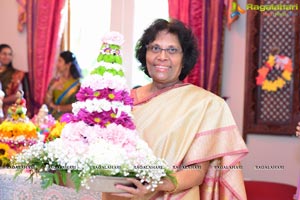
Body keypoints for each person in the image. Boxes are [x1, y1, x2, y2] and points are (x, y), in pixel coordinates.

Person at [102, 19, 248, 200]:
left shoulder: (205, 104)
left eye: (172, 50)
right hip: (119, 195)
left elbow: (196, 171)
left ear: (184, 58)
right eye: (155, 48)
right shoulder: (123, 100)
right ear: (145, 53)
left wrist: (155, 186)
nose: (162, 57)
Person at [45, 51, 82, 120]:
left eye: (60, 61)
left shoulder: (77, 85)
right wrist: (52, 88)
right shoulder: (55, 81)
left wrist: (57, 107)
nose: (57, 64)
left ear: (68, 64)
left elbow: (77, 105)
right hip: (52, 116)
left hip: (68, 118)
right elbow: (47, 103)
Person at [0, 44, 25, 117]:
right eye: (4, 54)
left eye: (10, 54)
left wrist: (2, 101)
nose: (7, 57)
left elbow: (18, 95)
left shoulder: (17, 74)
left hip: (8, 110)